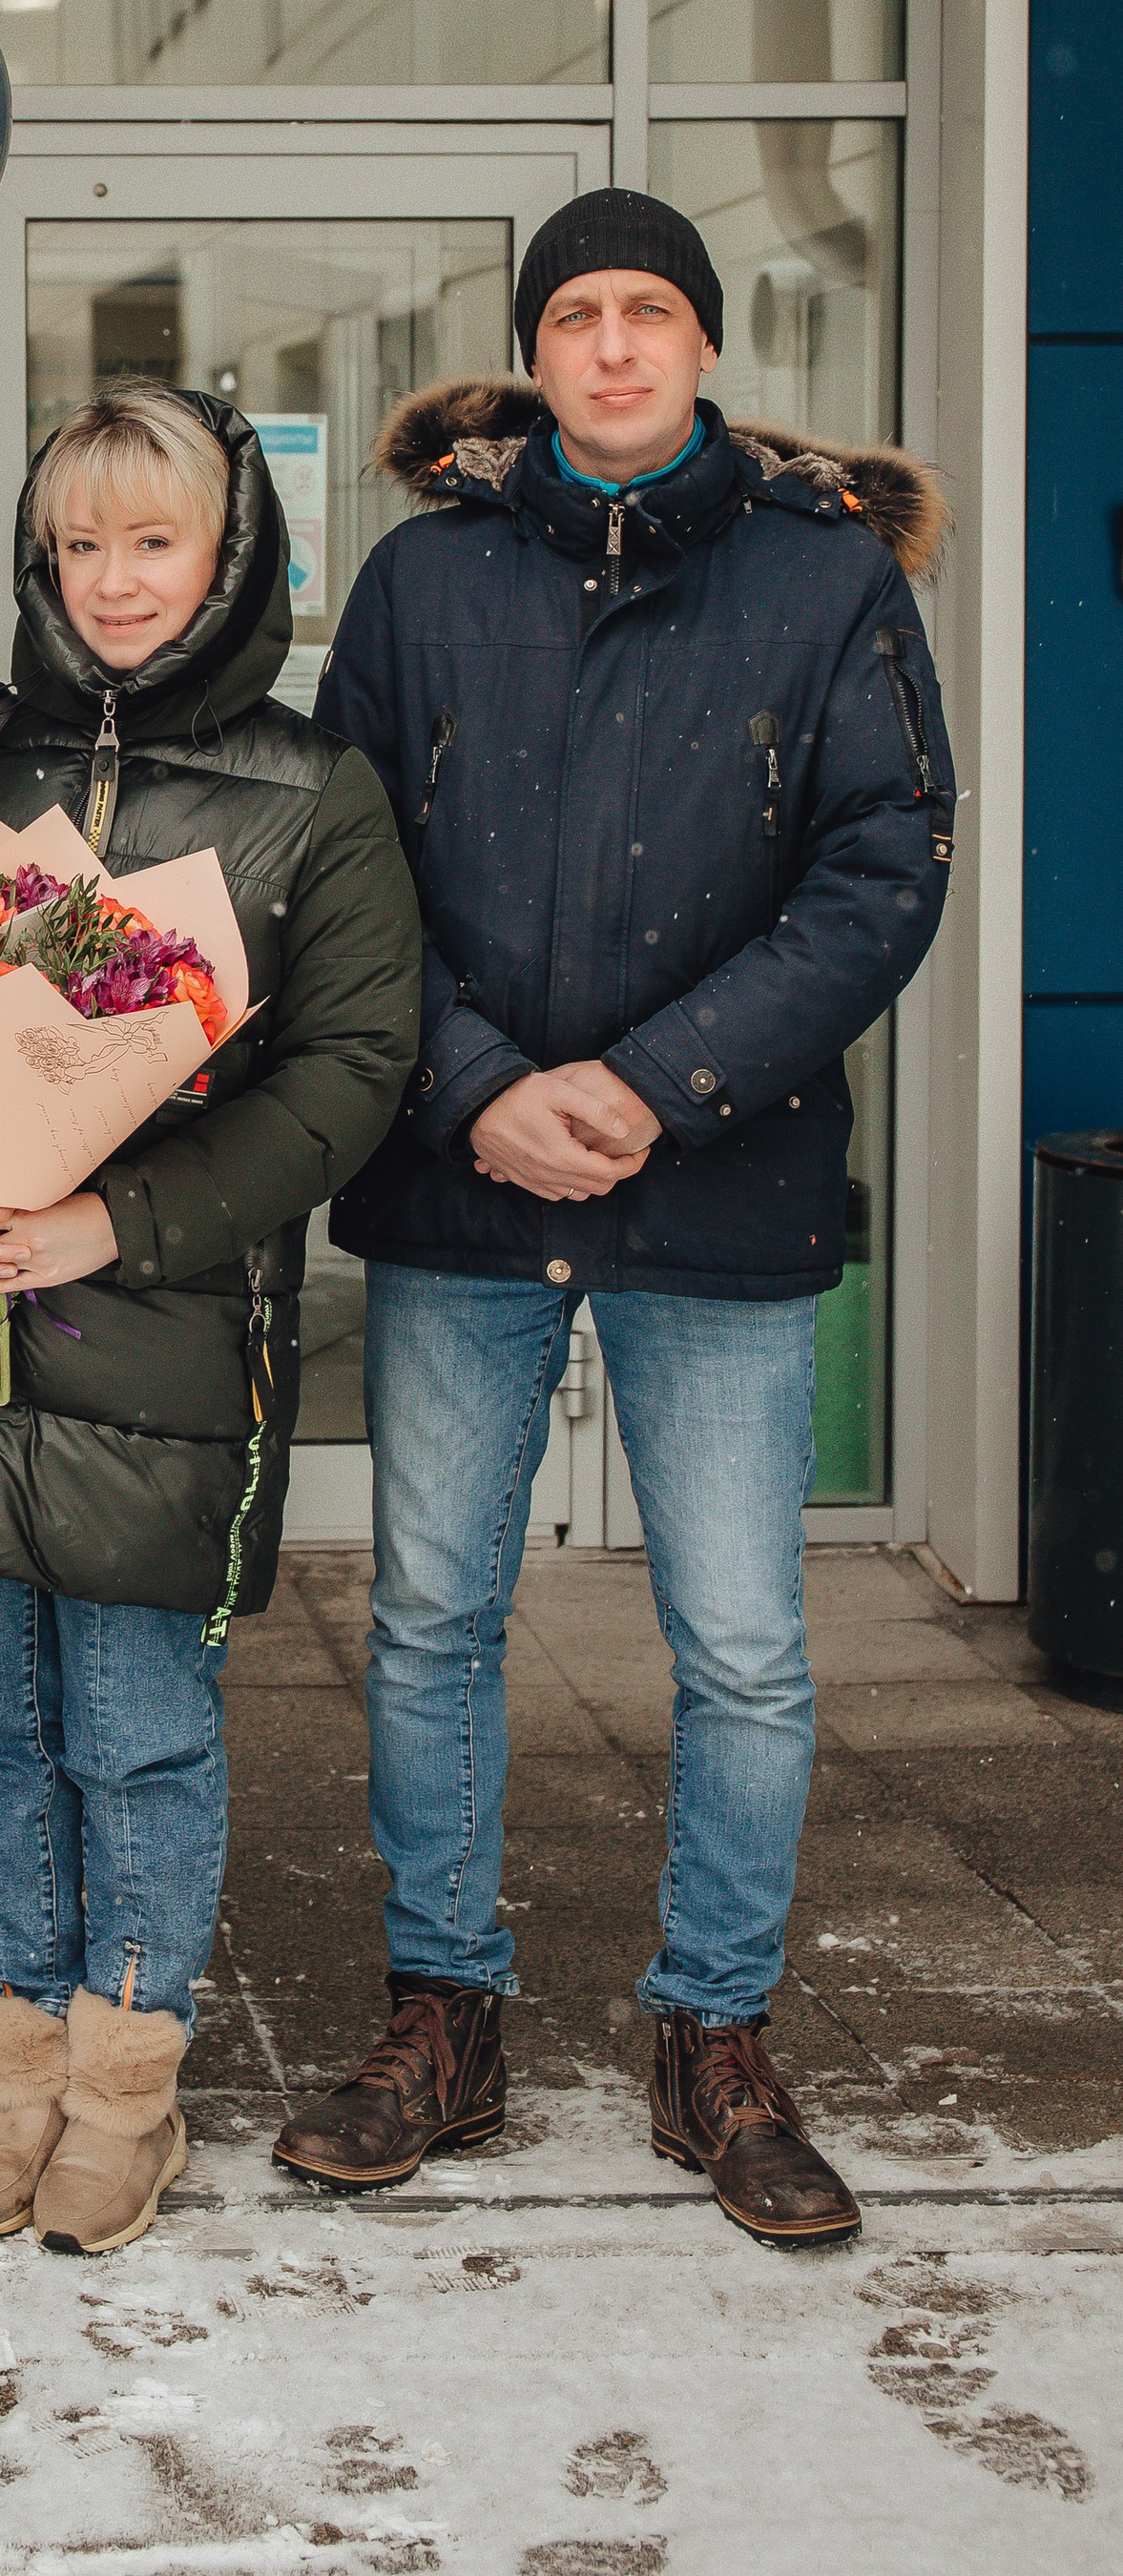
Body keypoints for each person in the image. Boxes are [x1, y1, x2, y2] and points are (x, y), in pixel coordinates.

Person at [284, 185, 955, 2251]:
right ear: (530, 350)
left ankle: (713, 2031)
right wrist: (477, 1086)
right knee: (424, 1621)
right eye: (571, 312)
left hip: (716, 1177)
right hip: (460, 1180)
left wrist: (652, 1085)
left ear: (702, 345)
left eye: (643, 309)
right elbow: (342, 866)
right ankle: (444, 2008)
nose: (607, 345)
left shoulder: (824, 579)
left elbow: (880, 868)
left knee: (743, 1646)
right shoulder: (418, 583)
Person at [0, 384, 422, 2257]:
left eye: (156, 539)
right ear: (39, 554)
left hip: (146, 1339)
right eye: (83, 541)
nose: (119, 578)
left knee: (135, 1732)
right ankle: (10, 2081)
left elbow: (351, 1067)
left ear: (228, 552)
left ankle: (121, 2096)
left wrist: (110, 1215)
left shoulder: (313, 791)